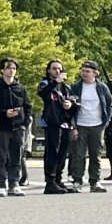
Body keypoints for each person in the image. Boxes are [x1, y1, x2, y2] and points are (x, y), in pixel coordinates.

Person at [0, 57, 31, 197]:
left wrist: (25, 123)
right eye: (8, 68)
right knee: (1, 157)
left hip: (18, 128)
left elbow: (27, 107)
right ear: (2, 70)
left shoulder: (21, 89)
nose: (11, 71)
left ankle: (14, 184)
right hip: (2, 128)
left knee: (16, 157)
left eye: (14, 68)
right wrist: (5, 113)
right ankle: (0, 185)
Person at [66, 61, 112, 193]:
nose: (84, 73)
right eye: (83, 71)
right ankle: (77, 181)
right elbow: (71, 108)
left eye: (88, 71)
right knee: (78, 155)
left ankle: (95, 182)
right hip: (80, 124)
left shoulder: (102, 88)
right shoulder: (75, 87)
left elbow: (109, 105)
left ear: (95, 74)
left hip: (97, 125)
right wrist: (73, 126)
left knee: (95, 155)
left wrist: (105, 122)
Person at [36, 60, 76, 195]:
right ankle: (50, 182)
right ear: (48, 70)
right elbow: (44, 93)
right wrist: (55, 82)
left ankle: (58, 179)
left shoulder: (66, 87)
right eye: (54, 69)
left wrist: (70, 104)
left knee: (63, 153)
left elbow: (74, 100)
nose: (57, 71)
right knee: (52, 152)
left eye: (59, 69)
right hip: (52, 122)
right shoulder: (45, 83)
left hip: (65, 123)